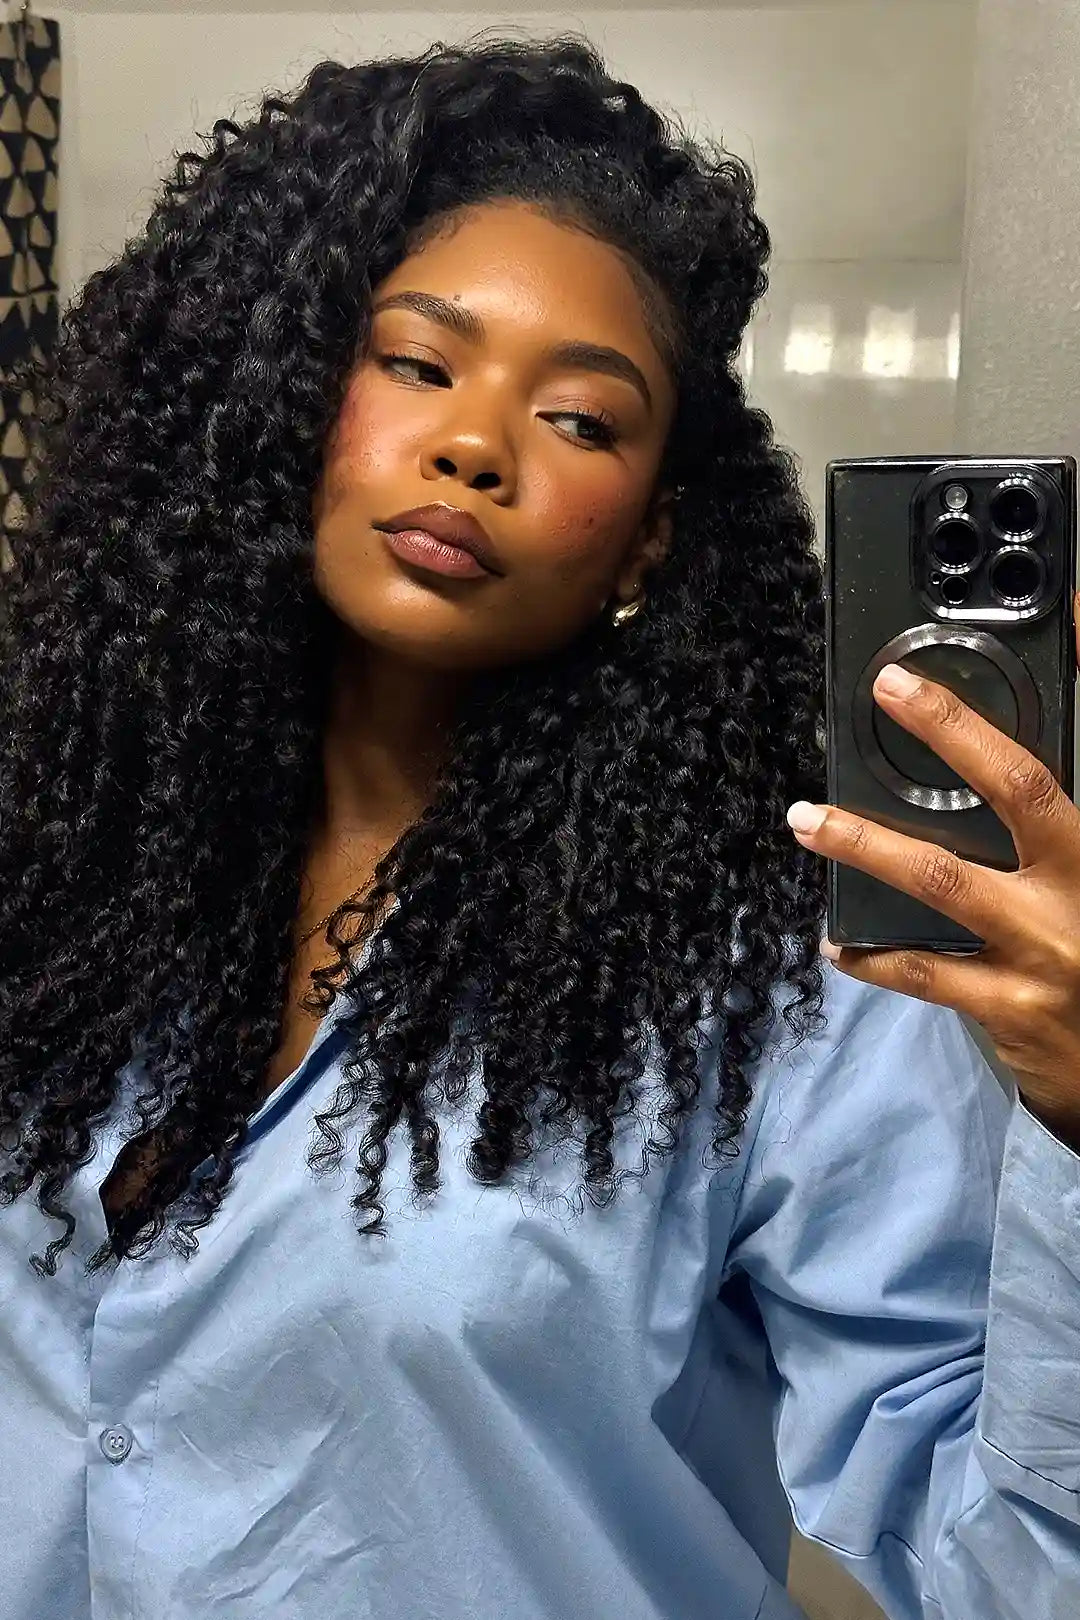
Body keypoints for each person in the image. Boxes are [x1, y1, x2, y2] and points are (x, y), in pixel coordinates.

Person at [0, 36, 1076, 1620]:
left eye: (579, 418)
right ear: (286, 393)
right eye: (418, 365)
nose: (474, 448)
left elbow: (1007, 1570)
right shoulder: (57, 865)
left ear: (645, 535)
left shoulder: (786, 977)